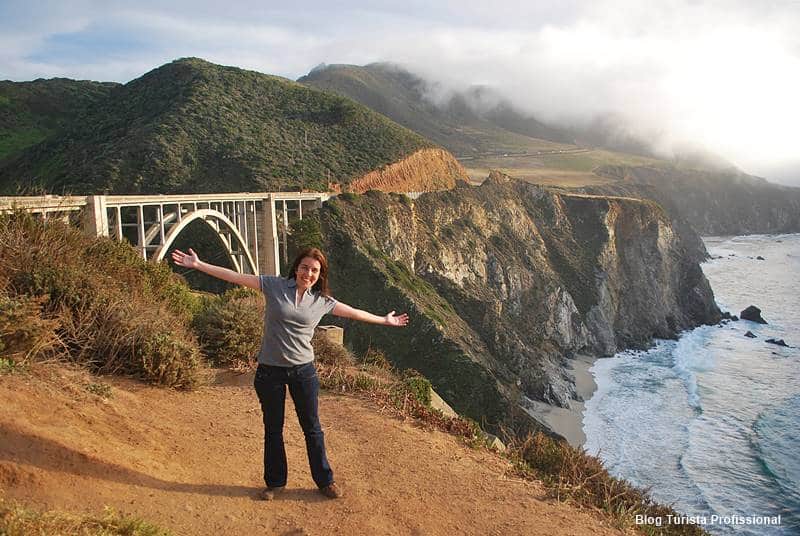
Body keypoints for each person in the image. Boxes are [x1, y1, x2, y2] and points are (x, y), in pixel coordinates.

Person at [171, 246, 409, 500]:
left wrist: (384, 320)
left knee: (313, 428)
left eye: (315, 270)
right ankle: (275, 483)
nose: (309, 273)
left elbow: (355, 313)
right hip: (270, 371)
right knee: (273, 428)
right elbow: (234, 276)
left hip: (303, 372)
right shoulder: (274, 286)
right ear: (296, 268)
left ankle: (325, 481)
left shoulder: (322, 301)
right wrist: (199, 265)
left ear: (320, 275)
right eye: (305, 267)